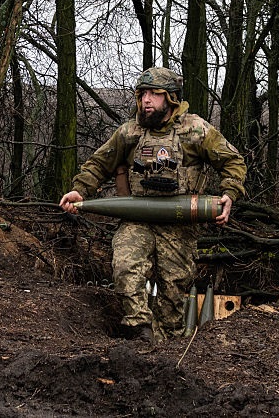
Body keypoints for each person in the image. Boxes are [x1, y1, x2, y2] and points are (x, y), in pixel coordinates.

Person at [59, 67, 247, 341]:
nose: (146, 100)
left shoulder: (196, 130)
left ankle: (165, 347)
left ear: (170, 98)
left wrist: (230, 192)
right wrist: (80, 190)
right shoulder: (129, 132)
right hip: (138, 218)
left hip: (180, 223)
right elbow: (99, 164)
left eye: (154, 94)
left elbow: (233, 161)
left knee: (173, 293)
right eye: (142, 94)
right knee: (126, 268)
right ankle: (139, 329)